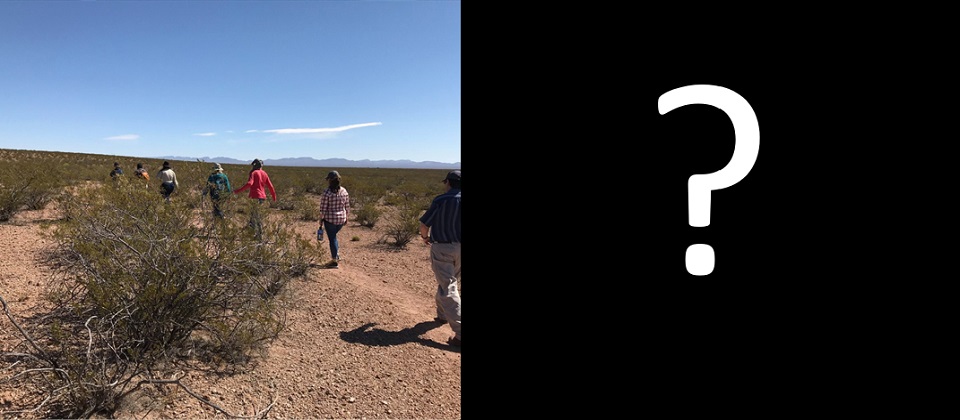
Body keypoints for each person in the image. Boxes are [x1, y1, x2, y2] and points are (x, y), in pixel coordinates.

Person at [419, 170, 461, 347]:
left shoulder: (441, 199)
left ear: (449, 183)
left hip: (442, 247)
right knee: (449, 282)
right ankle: (442, 314)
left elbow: (424, 224)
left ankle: (460, 332)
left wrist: (425, 237)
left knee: (448, 285)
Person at [234, 159, 276, 238]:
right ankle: (251, 232)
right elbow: (270, 186)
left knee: (256, 216)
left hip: (255, 196)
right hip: (262, 197)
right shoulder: (264, 173)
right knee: (254, 215)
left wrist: (238, 191)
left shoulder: (253, 173)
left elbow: (250, 183)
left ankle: (259, 235)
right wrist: (274, 196)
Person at [318, 170, 350, 269]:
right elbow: (347, 206)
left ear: (330, 181)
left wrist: (321, 219)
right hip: (341, 219)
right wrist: (347, 217)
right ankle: (336, 255)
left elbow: (323, 208)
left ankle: (334, 261)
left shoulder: (327, 192)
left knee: (332, 238)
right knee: (334, 236)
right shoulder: (344, 191)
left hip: (330, 219)